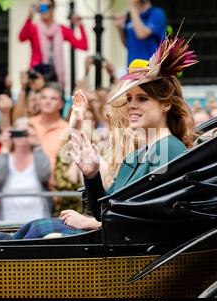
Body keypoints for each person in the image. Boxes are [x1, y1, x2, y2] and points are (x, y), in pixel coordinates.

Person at [14, 34, 198, 239]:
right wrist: (92, 174)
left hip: (131, 251)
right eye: (129, 98)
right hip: (115, 241)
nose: (131, 106)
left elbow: (152, 219)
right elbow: (104, 208)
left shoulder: (171, 148)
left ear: (165, 104)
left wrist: (90, 224)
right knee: (31, 229)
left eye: (142, 99)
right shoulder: (135, 155)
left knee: (40, 233)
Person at [0, 117, 51, 223]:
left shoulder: (38, 155)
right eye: (18, 133)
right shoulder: (6, 157)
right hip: (9, 218)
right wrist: (5, 147)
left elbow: (44, 175)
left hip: (38, 216)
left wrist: (37, 144)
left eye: (25, 133)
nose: (22, 137)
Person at [18, 0, 88, 88]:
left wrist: (80, 25)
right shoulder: (34, 28)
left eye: (47, 7)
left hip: (55, 78)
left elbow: (83, 46)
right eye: (41, 7)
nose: (44, 10)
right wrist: (29, 17)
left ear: (53, 8)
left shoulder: (61, 29)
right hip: (37, 76)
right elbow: (21, 38)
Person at [115, 0, 167, 66]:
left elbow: (141, 34)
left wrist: (132, 7)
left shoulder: (157, 13)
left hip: (151, 69)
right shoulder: (130, 16)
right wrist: (120, 29)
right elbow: (128, 44)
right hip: (132, 69)